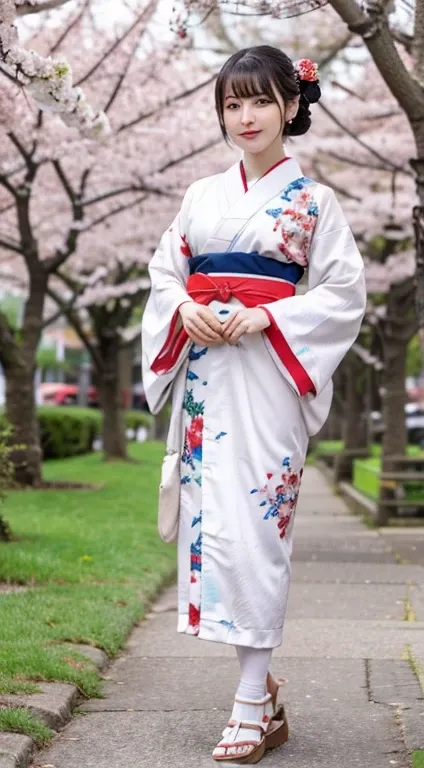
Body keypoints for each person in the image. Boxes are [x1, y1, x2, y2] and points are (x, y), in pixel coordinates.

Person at [142, 45, 366, 764]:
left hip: (269, 374)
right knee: (218, 534)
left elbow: (342, 294)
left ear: (292, 106)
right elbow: (164, 272)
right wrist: (182, 306)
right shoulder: (201, 196)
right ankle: (261, 690)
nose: (246, 117)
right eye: (232, 104)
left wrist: (271, 317)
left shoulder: (314, 202)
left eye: (261, 101)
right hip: (209, 372)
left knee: (259, 534)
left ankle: (246, 707)